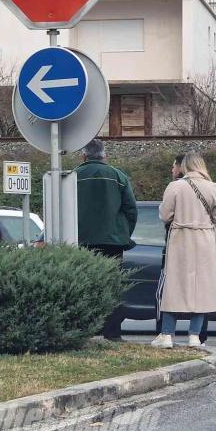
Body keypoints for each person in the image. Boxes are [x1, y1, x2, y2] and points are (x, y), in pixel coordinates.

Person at [152, 153, 216, 349]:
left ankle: (167, 335)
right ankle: (194, 336)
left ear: (185, 166)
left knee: (174, 286)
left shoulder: (175, 186)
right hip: (204, 239)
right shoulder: (212, 187)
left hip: (180, 238)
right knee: (202, 288)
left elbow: (165, 215)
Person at [75, 139, 138, 341]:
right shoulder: (118, 176)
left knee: (84, 286)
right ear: (104, 156)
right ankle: (112, 333)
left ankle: (84, 332)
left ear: (83, 156)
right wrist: (123, 233)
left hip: (81, 242)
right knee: (113, 286)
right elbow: (131, 209)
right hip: (113, 241)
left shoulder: (72, 177)